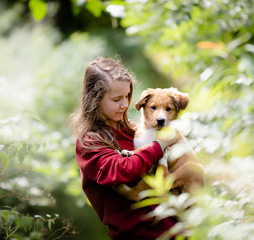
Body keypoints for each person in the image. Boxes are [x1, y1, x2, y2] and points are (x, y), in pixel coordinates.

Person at [71, 57, 177, 239]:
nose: (125, 104)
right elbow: (124, 170)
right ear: (95, 100)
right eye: (116, 99)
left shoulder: (132, 130)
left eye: (127, 96)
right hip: (138, 234)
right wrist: (159, 145)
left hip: (173, 228)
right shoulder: (90, 143)